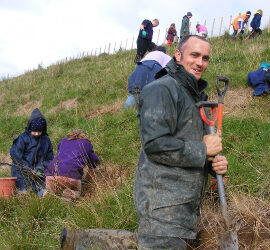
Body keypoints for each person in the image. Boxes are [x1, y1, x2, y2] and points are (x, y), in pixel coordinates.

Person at [133, 35, 228, 249]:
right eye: (194, 55)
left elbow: (196, 149)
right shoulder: (161, 89)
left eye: (205, 58)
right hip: (162, 209)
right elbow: (155, 145)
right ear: (178, 55)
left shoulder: (197, 99)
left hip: (184, 210)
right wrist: (203, 149)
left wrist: (214, 164)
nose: (200, 63)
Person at [10, 108, 53, 196]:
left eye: (39, 131)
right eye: (34, 131)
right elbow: (15, 156)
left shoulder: (46, 140)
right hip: (22, 173)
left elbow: (50, 158)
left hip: (39, 175)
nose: (37, 133)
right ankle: (23, 194)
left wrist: (41, 168)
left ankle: (42, 194)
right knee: (24, 192)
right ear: (30, 128)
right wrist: (28, 168)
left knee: (44, 190)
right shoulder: (22, 139)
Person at [44, 130, 99, 200]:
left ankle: (46, 201)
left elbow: (59, 155)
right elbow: (93, 163)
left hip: (51, 174)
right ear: (84, 136)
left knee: (49, 196)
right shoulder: (86, 143)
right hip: (71, 177)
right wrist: (86, 181)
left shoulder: (63, 141)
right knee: (72, 194)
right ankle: (67, 199)